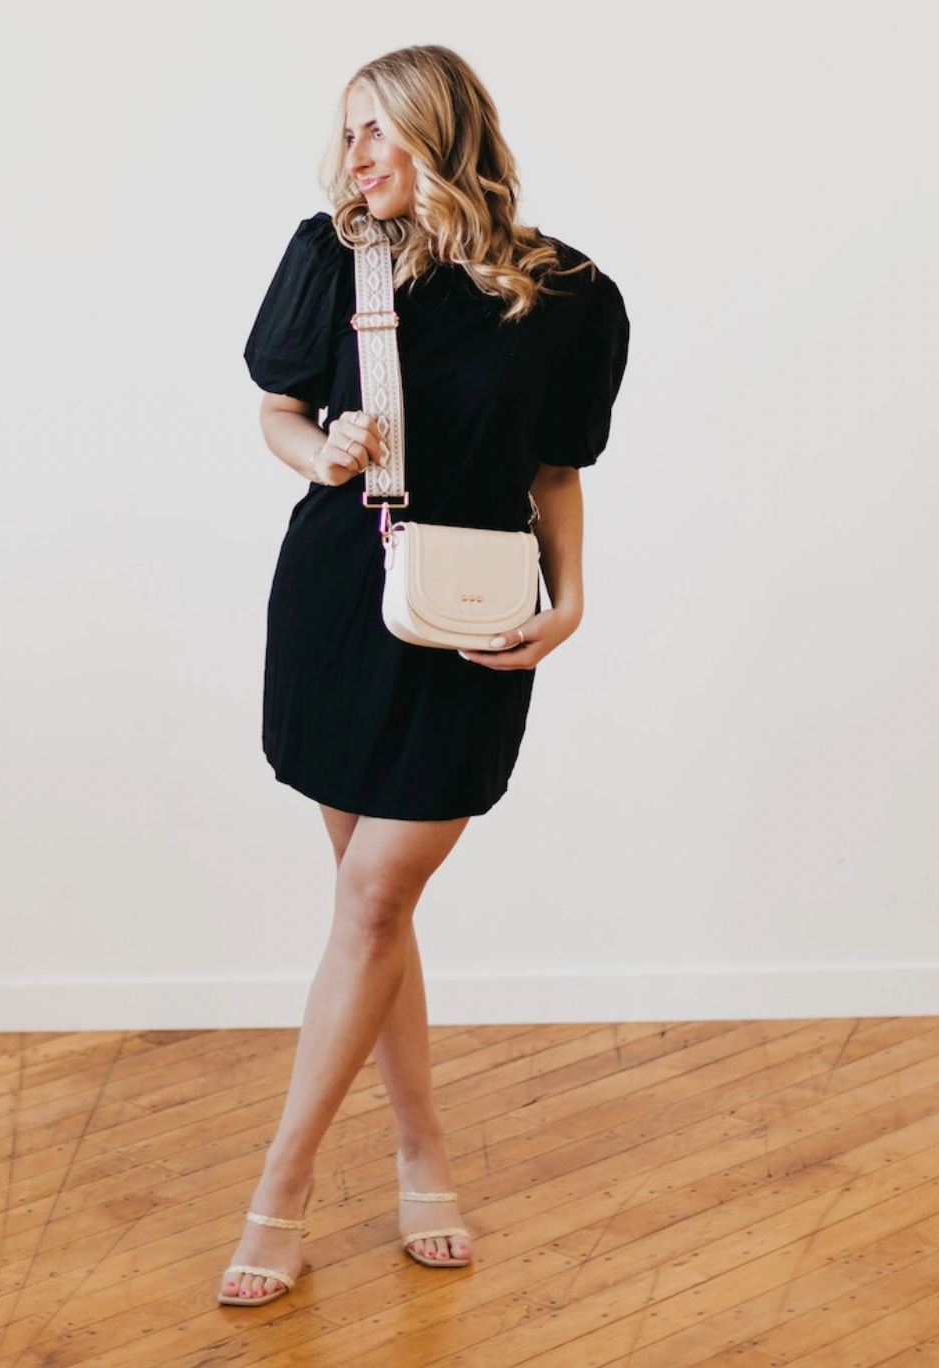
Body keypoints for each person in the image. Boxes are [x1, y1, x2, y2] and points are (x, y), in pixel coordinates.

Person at [219, 44, 628, 1306]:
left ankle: (280, 1189)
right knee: (372, 906)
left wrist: (571, 599)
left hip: (473, 610)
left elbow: (555, 468)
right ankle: (420, 1153)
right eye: (347, 132)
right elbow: (276, 411)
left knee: (375, 896)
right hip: (339, 601)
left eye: (378, 131)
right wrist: (324, 451)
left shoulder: (567, 293)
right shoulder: (331, 256)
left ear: (442, 134)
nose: (356, 157)